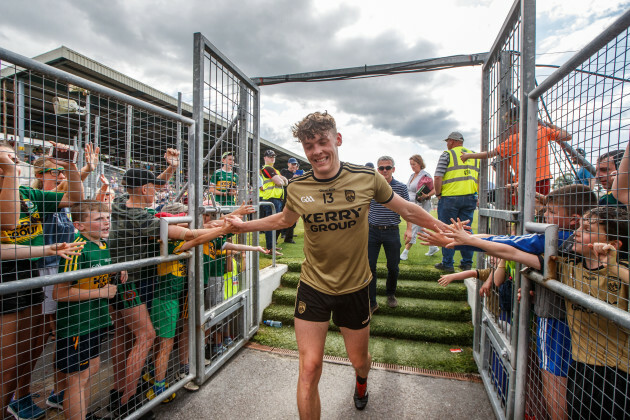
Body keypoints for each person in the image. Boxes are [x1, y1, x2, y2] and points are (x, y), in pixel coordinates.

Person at [226, 111, 448, 418]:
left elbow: (408, 210)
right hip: (313, 287)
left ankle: (361, 381)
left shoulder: (366, 178)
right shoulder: (298, 187)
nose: (316, 151)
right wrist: (242, 226)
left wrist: (449, 233)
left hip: (355, 288)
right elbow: (283, 219)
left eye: (322, 141)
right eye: (309, 146)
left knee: (360, 360)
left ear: (337, 140)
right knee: (309, 368)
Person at [442, 206, 630, 419]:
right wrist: (470, 240)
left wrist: (613, 267)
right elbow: (513, 251)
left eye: (586, 229)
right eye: (578, 226)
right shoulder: (568, 266)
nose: (576, 232)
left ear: (613, 244)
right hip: (582, 366)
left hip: (619, 371)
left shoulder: (622, 271)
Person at [108, 149, 222, 418]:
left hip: (121, 279)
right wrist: (223, 228)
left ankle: (118, 391)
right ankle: (126, 402)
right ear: (144, 188)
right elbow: (188, 233)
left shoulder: (120, 201)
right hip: (133, 282)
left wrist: (169, 169)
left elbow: (146, 186)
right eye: (154, 188)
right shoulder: (143, 219)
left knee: (124, 336)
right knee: (145, 336)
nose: (158, 192)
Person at [0, 141, 84, 420]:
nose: (13, 160)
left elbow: (73, 196)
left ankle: (19, 396)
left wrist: (70, 163)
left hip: (28, 271)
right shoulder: (16, 188)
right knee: (8, 360)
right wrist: (10, 170)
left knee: (30, 346)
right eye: (7, 156)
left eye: (13, 157)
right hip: (10, 276)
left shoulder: (28, 194)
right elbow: (10, 221)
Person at [53, 200, 121, 420]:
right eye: (99, 219)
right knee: (77, 377)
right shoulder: (76, 248)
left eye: (107, 218)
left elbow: (98, 274)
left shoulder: (102, 244)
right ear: (79, 225)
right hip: (77, 324)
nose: (106, 223)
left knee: (90, 371)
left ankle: (84, 413)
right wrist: (100, 293)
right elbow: (60, 293)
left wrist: (117, 273)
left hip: (96, 320)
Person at [461, 107, 572, 196]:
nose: (508, 127)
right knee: (540, 210)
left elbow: (490, 154)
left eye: (509, 123)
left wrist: (469, 155)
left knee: (523, 214)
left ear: (518, 122)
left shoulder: (513, 139)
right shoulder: (542, 130)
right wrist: (550, 125)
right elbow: (567, 136)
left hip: (523, 183)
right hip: (544, 179)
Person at [367, 156, 410, 313]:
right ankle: (372, 302)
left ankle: (390, 293)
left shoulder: (401, 187)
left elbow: (408, 210)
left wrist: (410, 229)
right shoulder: (370, 186)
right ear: (377, 170)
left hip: (391, 231)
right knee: (369, 267)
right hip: (372, 231)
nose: (384, 170)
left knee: (393, 266)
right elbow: (365, 208)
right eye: (381, 168)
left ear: (393, 169)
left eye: (388, 167)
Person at [433, 131, 480, 273]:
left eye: (448, 141)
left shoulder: (448, 154)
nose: (447, 144)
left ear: (452, 141)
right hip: (470, 196)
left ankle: (447, 264)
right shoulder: (474, 156)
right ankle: (466, 263)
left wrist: (438, 193)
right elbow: (478, 178)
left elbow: (437, 176)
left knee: (447, 229)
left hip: (450, 198)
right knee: (466, 229)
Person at [400, 154, 438, 261]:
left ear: (420, 164)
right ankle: (433, 247)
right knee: (421, 229)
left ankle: (405, 252)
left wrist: (427, 195)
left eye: (414, 164)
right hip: (411, 205)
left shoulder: (426, 175)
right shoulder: (412, 176)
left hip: (421, 205)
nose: (412, 166)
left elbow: (434, 189)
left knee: (414, 226)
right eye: (411, 164)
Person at [259, 150, 287, 251]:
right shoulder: (268, 168)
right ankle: (270, 247)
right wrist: (281, 180)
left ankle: (272, 246)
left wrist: (281, 180)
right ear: (265, 158)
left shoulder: (275, 170)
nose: (272, 158)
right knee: (271, 224)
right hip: (271, 199)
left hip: (276, 199)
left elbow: (284, 181)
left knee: (275, 223)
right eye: (270, 156)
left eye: (273, 156)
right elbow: (280, 182)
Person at [280, 158, 300, 244]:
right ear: (288, 164)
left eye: (295, 164)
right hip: (285, 197)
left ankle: (288, 236)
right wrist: (293, 178)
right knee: (283, 216)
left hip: (294, 197)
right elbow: (283, 183)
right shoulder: (284, 172)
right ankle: (284, 234)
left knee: (293, 217)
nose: (294, 166)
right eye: (292, 164)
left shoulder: (296, 174)